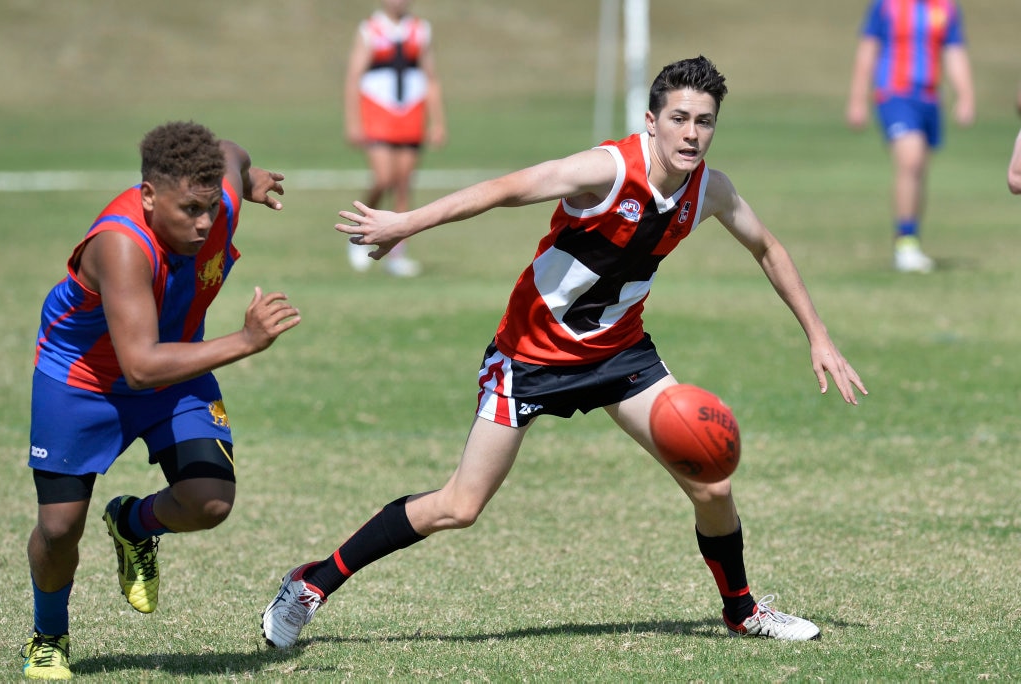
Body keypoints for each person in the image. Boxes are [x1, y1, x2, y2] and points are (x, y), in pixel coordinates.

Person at [262, 55, 867, 650]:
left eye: (705, 121)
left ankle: (742, 611)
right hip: (529, 357)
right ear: (651, 120)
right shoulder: (606, 170)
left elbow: (767, 247)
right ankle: (310, 584)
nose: (692, 133)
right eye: (679, 118)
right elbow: (507, 189)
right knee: (460, 505)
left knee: (711, 482)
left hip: (620, 355)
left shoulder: (710, 189)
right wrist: (407, 223)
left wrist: (818, 334)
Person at [22, 121, 300, 680]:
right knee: (58, 531)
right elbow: (139, 367)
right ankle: (48, 636)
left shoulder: (216, 198)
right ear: (148, 196)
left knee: (209, 501)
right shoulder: (121, 245)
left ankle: (133, 524)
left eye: (209, 208)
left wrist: (248, 179)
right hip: (82, 381)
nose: (203, 224)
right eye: (188, 210)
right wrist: (245, 341)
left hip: (171, 363)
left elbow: (232, 151)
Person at [846, 0, 974, 273]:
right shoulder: (887, 5)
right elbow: (868, 50)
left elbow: (954, 51)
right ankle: (905, 244)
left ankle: (911, 239)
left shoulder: (946, 7)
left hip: (929, 99)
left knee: (919, 170)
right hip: (894, 94)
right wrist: (857, 99)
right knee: (910, 160)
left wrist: (965, 95)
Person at [343, 0, 447, 278]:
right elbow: (354, 78)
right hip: (377, 112)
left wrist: (438, 122)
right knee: (383, 178)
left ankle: (397, 253)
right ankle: (359, 235)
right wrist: (353, 123)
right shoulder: (370, 30)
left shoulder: (421, 30)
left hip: (411, 112)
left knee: (403, 185)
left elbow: (431, 77)